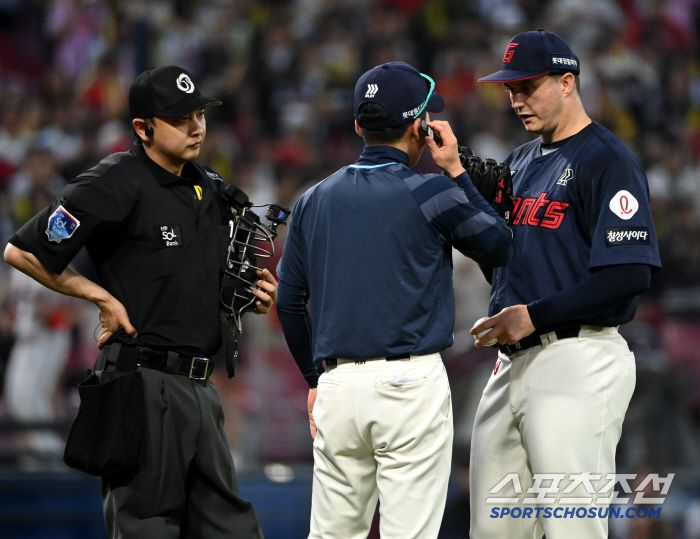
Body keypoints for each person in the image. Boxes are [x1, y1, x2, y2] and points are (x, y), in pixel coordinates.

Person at [3, 65, 276, 539]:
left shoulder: (208, 185)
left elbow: (203, 277)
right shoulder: (116, 179)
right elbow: (22, 251)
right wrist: (100, 297)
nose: (196, 126)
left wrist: (248, 297)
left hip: (201, 387)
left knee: (234, 530)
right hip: (143, 382)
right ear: (143, 128)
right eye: (180, 118)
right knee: (145, 527)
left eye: (199, 114)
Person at [275, 60, 513, 539]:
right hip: (409, 384)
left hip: (338, 384)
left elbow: (288, 302)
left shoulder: (312, 199)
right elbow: (501, 245)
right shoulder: (432, 192)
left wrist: (314, 380)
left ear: (358, 125)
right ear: (420, 126)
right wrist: (457, 171)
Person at [468, 30, 662, 539]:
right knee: (493, 531)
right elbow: (508, 266)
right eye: (511, 89)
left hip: (578, 358)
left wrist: (534, 315)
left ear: (567, 82)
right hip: (511, 362)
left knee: (570, 528)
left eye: (528, 86)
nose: (516, 100)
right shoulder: (520, 161)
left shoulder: (608, 160)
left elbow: (629, 274)